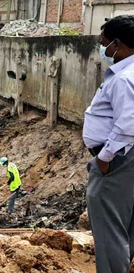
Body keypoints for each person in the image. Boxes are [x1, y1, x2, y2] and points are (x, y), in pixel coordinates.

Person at [83, 15, 134, 273]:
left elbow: (128, 125)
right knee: (126, 222)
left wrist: (104, 158)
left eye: (104, 44)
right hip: (125, 159)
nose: (103, 49)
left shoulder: (124, 78)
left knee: (108, 227)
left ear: (117, 44)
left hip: (118, 160)